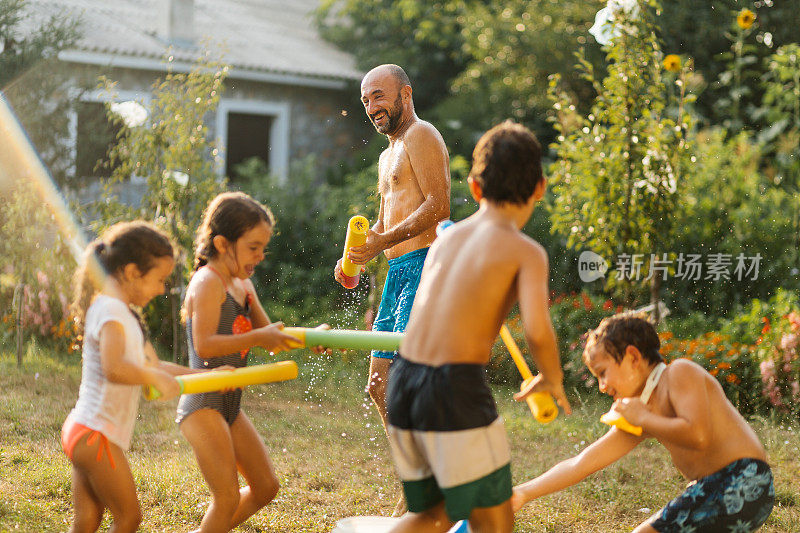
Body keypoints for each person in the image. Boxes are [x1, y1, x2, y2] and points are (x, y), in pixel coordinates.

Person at [385, 121, 571, 533]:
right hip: (452, 388)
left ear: (474, 187)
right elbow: (538, 331)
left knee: (432, 515)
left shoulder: (446, 241)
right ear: (540, 187)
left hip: (404, 379)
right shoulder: (526, 252)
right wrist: (551, 378)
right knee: (494, 520)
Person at [512, 313, 774, 533]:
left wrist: (644, 418)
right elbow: (582, 463)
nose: (602, 387)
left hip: (745, 478)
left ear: (633, 357)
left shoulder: (680, 373)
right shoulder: (643, 410)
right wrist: (522, 493)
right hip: (712, 489)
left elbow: (698, 434)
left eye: (603, 373)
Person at [334, 63, 451, 439]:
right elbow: (383, 223)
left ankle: (431, 478)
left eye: (378, 96)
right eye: (366, 100)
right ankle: (413, 473)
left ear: (406, 93)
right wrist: (357, 253)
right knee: (379, 385)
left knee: (404, 380)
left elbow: (438, 206)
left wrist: (383, 241)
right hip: (397, 272)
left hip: (425, 265)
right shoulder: (387, 155)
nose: (371, 107)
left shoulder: (421, 134)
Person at [176, 192, 305, 532]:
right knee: (227, 498)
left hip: (229, 403)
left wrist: (313, 338)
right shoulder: (207, 282)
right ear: (222, 243)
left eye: (263, 247)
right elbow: (204, 346)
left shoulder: (243, 285)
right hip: (203, 402)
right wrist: (258, 339)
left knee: (266, 487)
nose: (261, 256)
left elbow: (272, 335)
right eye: (253, 247)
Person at [62, 221, 192, 532]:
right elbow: (114, 367)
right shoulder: (111, 310)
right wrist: (151, 377)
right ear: (132, 272)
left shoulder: (124, 314)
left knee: (88, 520)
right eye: (159, 279)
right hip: (96, 434)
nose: (162, 289)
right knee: (129, 517)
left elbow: (155, 366)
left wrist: (207, 374)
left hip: (84, 431)